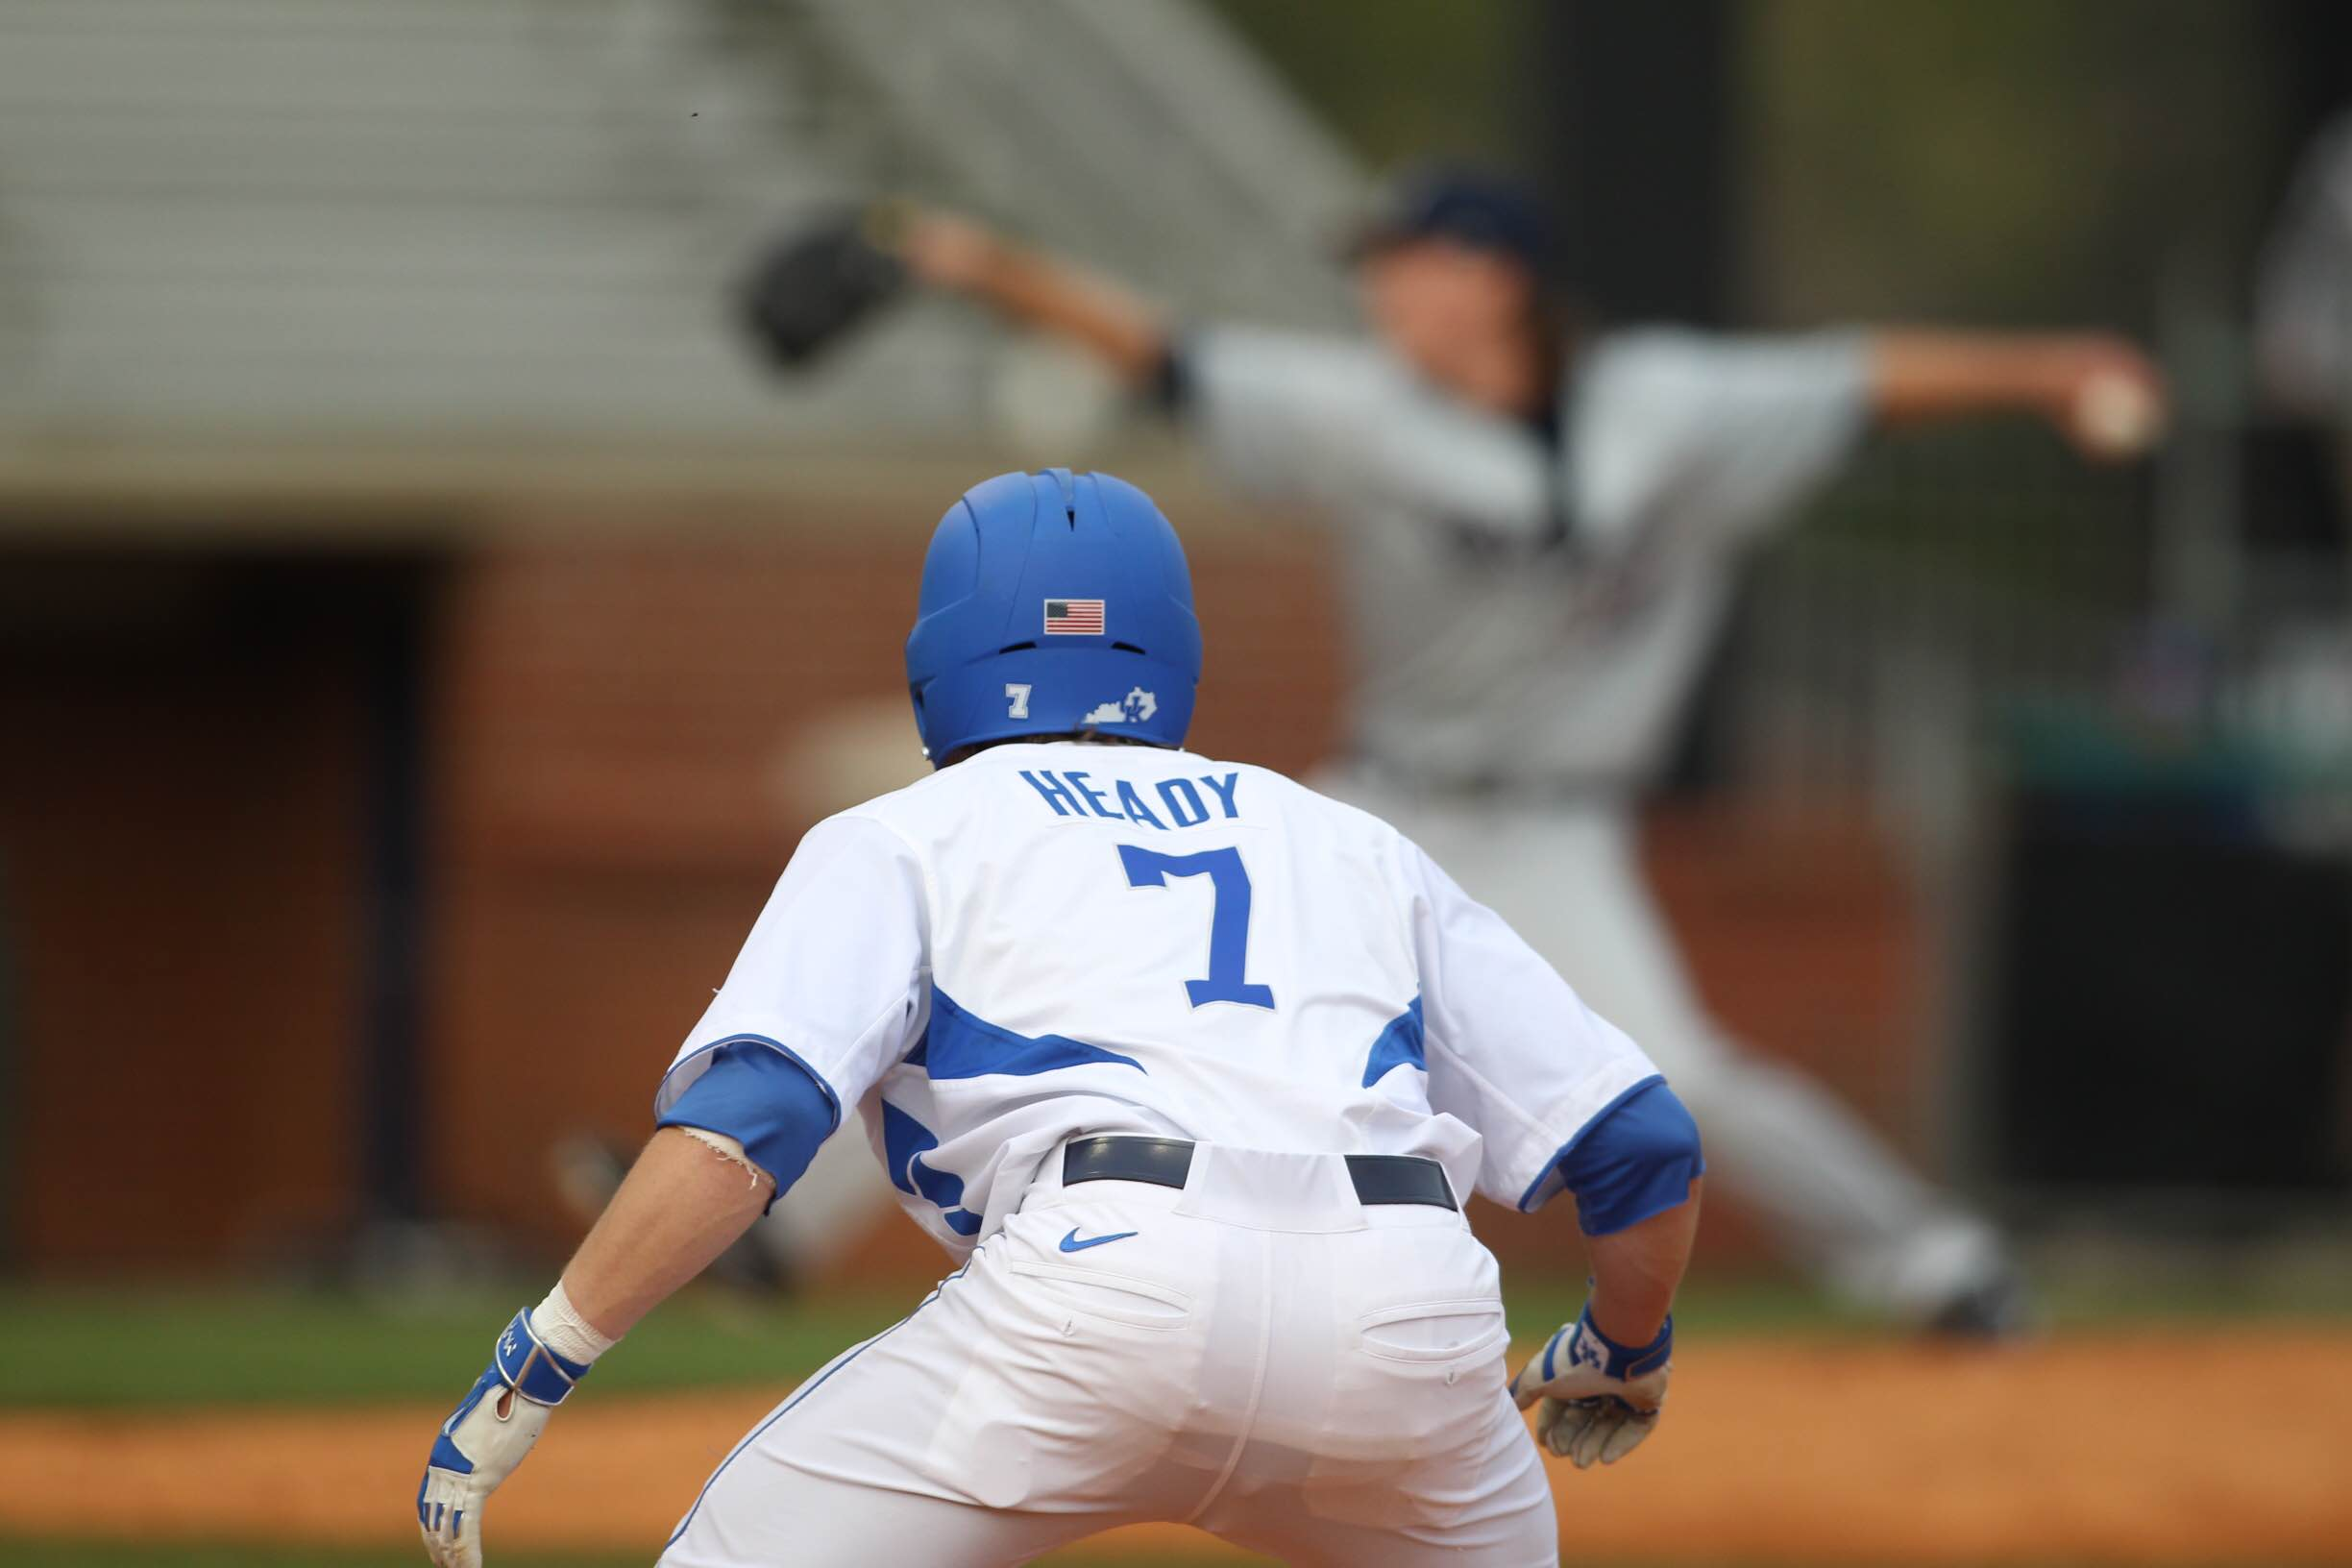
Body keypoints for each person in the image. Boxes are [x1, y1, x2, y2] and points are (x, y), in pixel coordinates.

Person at [875, 169, 2168, 1331]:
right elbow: (1166, 358)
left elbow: (1863, 380)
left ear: (1493, 277)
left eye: (1408, 262)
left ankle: (1936, 1261)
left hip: (1559, 830)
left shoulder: (1672, 405)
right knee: (1113, 984)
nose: (1381, 291)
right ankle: (788, 1219)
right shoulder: (1357, 409)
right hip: (1387, 803)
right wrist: (984, 270)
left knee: (1680, 1082)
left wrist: (2052, 368)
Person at [418, 468, 1705, 1568]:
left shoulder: (904, 833)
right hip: (1406, 1315)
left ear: (942, 659)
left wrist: (543, 1356)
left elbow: (746, 1122)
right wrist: (1624, 1345)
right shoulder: (1350, 841)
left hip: (1096, 1299)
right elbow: (1642, 1144)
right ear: (1174, 652)